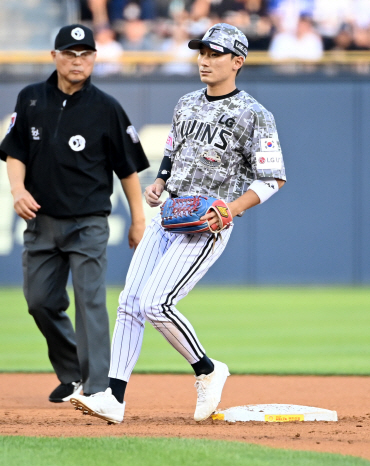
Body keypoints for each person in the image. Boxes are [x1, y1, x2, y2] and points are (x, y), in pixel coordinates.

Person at [69, 23, 287, 424]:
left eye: (215, 54)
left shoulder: (254, 114)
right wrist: (160, 182)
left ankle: (208, 370)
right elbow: (172, 150)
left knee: (156, 303)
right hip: (169, 215)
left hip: (207, 223)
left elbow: (272, 178)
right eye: (202, 52)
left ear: (237, 61)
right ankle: (113, 398)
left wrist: (232, 208)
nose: (205, 60)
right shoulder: (186, 102)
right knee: (130, 302)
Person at [0, 25, 149, 402]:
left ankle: (99, 390)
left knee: (90, 301)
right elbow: (15, 152)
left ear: (95, 59)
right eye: (70, 53)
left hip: (88, 223)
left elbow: (128, 169)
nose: (77, 60)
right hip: (41, 222)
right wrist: (17, 190)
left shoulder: (107, 107)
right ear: (55, 57)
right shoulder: (31, 98)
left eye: (85, 53)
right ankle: (73, 372)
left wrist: (139, 218)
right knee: (40, 302)